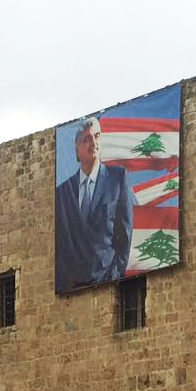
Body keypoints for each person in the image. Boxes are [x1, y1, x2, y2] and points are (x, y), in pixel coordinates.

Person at [55, 117, 134, 294]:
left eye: (96, 136)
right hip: (71, 285)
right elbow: (61, 244)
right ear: (77, 149)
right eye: (87, 139)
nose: (94, 143)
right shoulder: (63, 192)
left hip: (107, 278)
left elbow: (125, 234)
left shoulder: (117, 179)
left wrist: (115, 275)